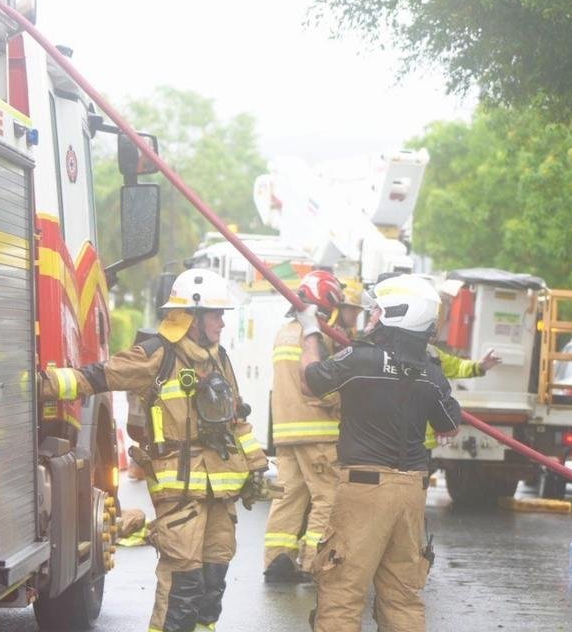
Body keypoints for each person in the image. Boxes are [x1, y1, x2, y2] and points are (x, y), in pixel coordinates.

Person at [41, 268, 268, 632]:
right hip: (179, 494)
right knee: (183, 585)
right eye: (215, 314)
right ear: (191, 316)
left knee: (213, 583)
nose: (222, 322)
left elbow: (237, 419)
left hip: (221, 493)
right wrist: (43, 384)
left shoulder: (219, 358)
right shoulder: (157, 354)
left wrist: (256, 468)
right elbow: (101, 375)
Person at [299, 273, 463, 632]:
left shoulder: (360, 360)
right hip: (411, 493)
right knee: (402, 597)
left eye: (376, 311)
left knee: (342, 590)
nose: (370, 317)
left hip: (365, 490)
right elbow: (451, 425)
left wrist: (310, 332)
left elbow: (310, 380)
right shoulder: (431, 373)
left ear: (395, 314)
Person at [262, 270, 361, 582]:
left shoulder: (284, 332)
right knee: (327, 498)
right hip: (318, 432)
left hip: (286, 432)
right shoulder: (315, 338)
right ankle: (311, 564)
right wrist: (343, 400)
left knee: (287, 498)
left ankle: (276, 560)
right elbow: (321, 384)